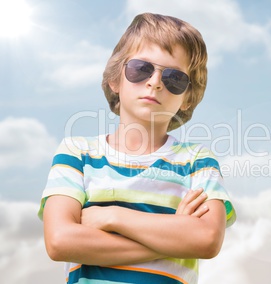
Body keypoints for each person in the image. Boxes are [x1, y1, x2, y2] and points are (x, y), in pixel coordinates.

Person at [38, 12, 236, 284]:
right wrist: (174, 238)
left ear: (188, 98)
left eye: (174, 78)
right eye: (141, 68)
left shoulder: (197, 161)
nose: (155, 82)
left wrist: (111, 216)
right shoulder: (77, 153)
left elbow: (207, 240)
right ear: (115, 80)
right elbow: (60, 241)